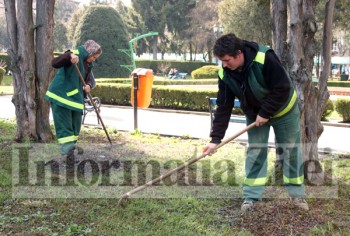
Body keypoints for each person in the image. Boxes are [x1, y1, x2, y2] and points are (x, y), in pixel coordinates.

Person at [202, 33, 308, 213]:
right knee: (255, 151)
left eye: (227, 60)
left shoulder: (264, 58)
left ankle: (297, 194)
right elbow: (224, 106)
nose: (224, 65)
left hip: (284, 110)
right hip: (255, 113)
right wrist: (215, 139)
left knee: (290, 150)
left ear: (239, 53)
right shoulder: (224, 73)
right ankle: (251, 197)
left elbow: (282, 87)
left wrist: (266, 112)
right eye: (221, 61)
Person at [45, 40, 102, 161]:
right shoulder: (74, 54)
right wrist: (69, 56)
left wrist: (88, 86)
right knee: (65, 127)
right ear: (89, 52)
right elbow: (55, 63)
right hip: (61, 97)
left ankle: (71, 151)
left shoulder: (88, 64)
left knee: (76, 127)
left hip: (75, 100)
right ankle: (67, 154)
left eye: (95, 58)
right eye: (93, 56)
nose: (94, 59)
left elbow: (89, 80)